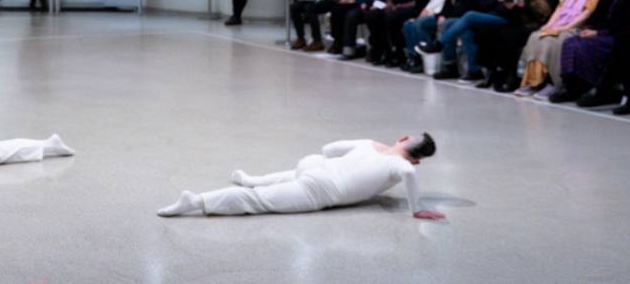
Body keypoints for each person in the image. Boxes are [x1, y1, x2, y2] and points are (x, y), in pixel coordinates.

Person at [157, 135, 444, 220]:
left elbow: (328, 149)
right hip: (323, 189)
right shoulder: (400, 166)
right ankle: (196, 201)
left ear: (402, 138)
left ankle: (251, 178)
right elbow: (408, 172)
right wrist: (416, 209)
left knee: (294, 177)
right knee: (256, 202)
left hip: (314, 165)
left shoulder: (371, 144)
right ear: (417, 159)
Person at [515, 0, 608, 98]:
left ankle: (554, 83)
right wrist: (549, 24)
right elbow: (560, 8)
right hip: (561, 23)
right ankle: (534, 81)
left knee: (554, 42)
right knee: (535, 36)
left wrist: (567, 27)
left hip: (580, 26)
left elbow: (588, 11)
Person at [553, 0, 630, 105]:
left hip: (617, 36)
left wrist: (598, 33)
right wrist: (590, 29)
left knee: (583, 46)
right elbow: (598, 17)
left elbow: (623, 25)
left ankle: (595, 87)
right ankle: (571, 87)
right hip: (602, 32)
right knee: (569, 42)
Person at [432, 0, 526, 81]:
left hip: (506, 19)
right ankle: (474, 70)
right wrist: (498, 0)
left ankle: (439, 43)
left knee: (470, 15)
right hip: (490, 16)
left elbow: (507, 8)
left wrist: (492, 0)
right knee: (461, 28)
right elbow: (481, 2)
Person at [476, 0, 560, 91]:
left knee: (509, 34)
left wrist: (522, 6)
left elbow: (544, 14)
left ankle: (509, 75)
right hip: (523, 20)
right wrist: (515, 4)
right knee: (491, 30)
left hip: (539, 23)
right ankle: (495, 71)